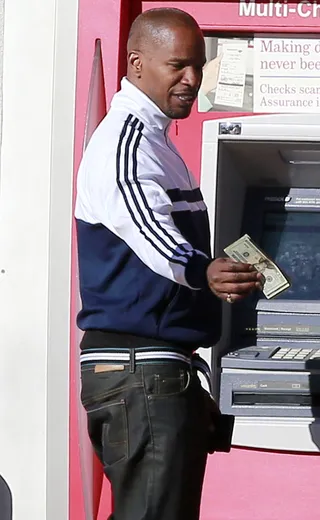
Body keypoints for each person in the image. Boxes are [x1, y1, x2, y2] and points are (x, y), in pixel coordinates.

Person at [75, 7, 263, 520]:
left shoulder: (156, 139)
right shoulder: (125, 142)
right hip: (141, 373)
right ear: (136, 63)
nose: (192, 79)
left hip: (157, 371)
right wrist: (200, 269)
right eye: (178, 65)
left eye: (198, 66)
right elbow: (148, 228)